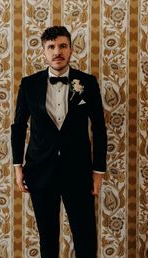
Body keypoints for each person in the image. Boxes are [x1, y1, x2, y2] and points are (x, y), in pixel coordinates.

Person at [11, 26, 108, 258]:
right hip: (40, 171)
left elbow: (99, 128)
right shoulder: (29, 84)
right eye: (51, 47)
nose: (57, 52)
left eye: (63, 46)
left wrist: (98, 172)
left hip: (78, 172)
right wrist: (17, 167)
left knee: (85, 237)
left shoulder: (87, 83)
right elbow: (18, 127)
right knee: (48, 238)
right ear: (44, 52)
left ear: (71, 50)